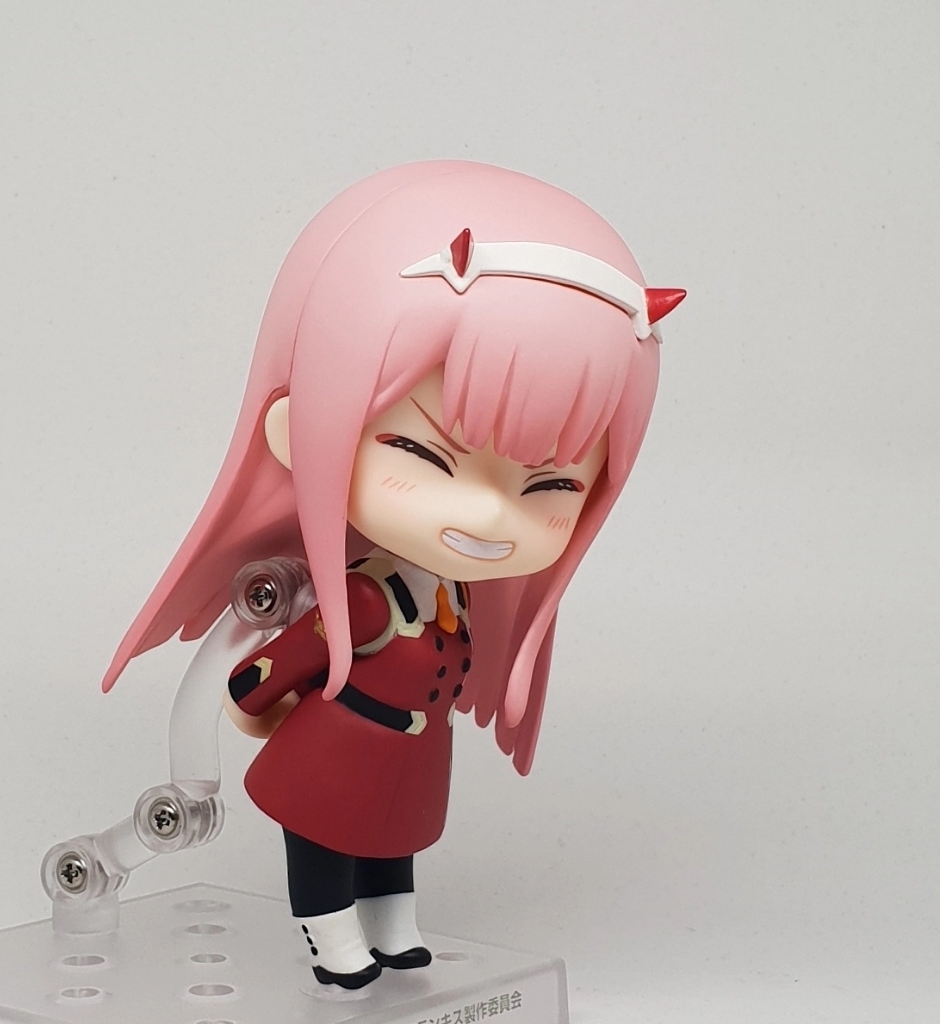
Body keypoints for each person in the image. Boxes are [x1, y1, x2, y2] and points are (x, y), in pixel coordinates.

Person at [100, 161, 683, 988]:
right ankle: (331, 936)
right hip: (334, 752)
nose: (490, 516)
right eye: (425, 455)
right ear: (300, 430)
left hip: (410, 757)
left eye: (551, 488)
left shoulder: (454, 599)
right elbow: (264, 672)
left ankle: (394, 928)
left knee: (393, 844)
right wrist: (254, 706)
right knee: (328, 846)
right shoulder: (365, 600)